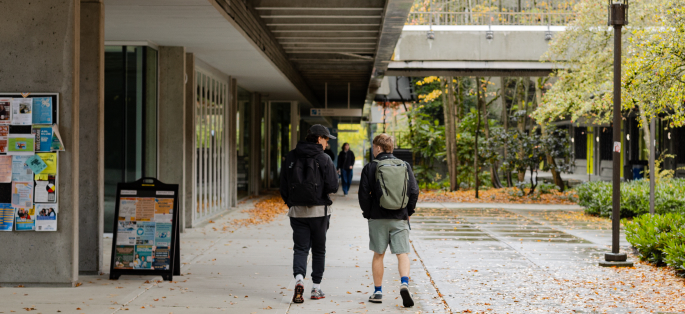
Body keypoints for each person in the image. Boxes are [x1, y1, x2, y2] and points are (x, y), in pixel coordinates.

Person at [358, 134, 419, 307]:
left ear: (378, 148)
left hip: (377, 217)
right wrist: (409, 212)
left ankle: (377, 292)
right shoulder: (404, 165)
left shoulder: (370, 167)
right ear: (391, 147)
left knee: (378, 255)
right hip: (399, 216)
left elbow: (363, 194)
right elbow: (414, 191)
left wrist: (368, 213)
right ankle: (405, 283)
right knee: (402, 253)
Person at [280, 124, 339, 303]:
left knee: (300, 248)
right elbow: (333, 186)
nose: (327, 143)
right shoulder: (324, 158)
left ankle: (299, 279)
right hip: (320, 212)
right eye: (326, 139)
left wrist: (290, 203)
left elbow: (283, 184)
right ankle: (316, 288)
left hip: (297, 213)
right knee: (319, 250)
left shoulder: (291, 156)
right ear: (319, 138)